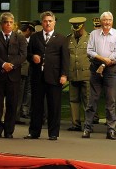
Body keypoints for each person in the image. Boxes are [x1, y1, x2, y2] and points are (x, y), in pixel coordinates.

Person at [24, 11, 69, 141]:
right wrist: (33, 57)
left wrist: (64, 74)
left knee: (54, 106)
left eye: (50, 21)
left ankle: (53, 133)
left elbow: (65, 58)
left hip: (54, 77)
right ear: (42, 23)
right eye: (45, 21)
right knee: (36, 105)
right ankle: (34, 132)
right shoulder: (35, 37)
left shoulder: (61, 38)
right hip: (37, 76)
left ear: (54, 22)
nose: (47, 23)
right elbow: (27, 53)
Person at [82, 11, 116, 140]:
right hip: (95, 68)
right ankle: (87, 128)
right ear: (101, 21)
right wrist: (102, 59)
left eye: (109, 20)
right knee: (92, 100)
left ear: (112, 21)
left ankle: (111, 130)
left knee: (110, 101)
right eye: (104, 20)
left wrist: (104, 64)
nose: (107, 22)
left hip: (111, 70)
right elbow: (89, 51)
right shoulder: (94, 34)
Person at [0, 12, 27, 138]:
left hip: (14, 76)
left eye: (10, 22)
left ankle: (9, 131)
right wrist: (3, 64)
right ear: (1, 24)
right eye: (6, 22)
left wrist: (11, 65)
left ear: (13, 24)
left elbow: (23, 55)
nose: (8, 24)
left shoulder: (19, 38)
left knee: (12, 103)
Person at [67, 17, 90, 131]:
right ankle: (75, 123)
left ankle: (87, 124)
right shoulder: (68, 39)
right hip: (73, 74)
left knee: (87, 100)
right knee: (73, 100)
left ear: (83, 27)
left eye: (78, 28)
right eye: (74, 29)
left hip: (86, 74)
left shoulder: (90, 38)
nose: (76, 31)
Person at [15, 21, 35, 124]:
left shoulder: (18, 36)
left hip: (23, 70)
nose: (30, 35)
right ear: (27, 30)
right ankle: (15, 117)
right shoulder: (18, 37)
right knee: (18, 95)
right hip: (20, 70)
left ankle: (16, 116)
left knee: (21, 94)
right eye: (30, 32)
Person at [91, 17, 102, 124]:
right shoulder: (90, 37)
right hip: (93, 69)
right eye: (95, 26)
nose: (97, 28)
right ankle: (93, 117)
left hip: (107, 68)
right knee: (93, 96)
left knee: (109, 97)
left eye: (99, 26)